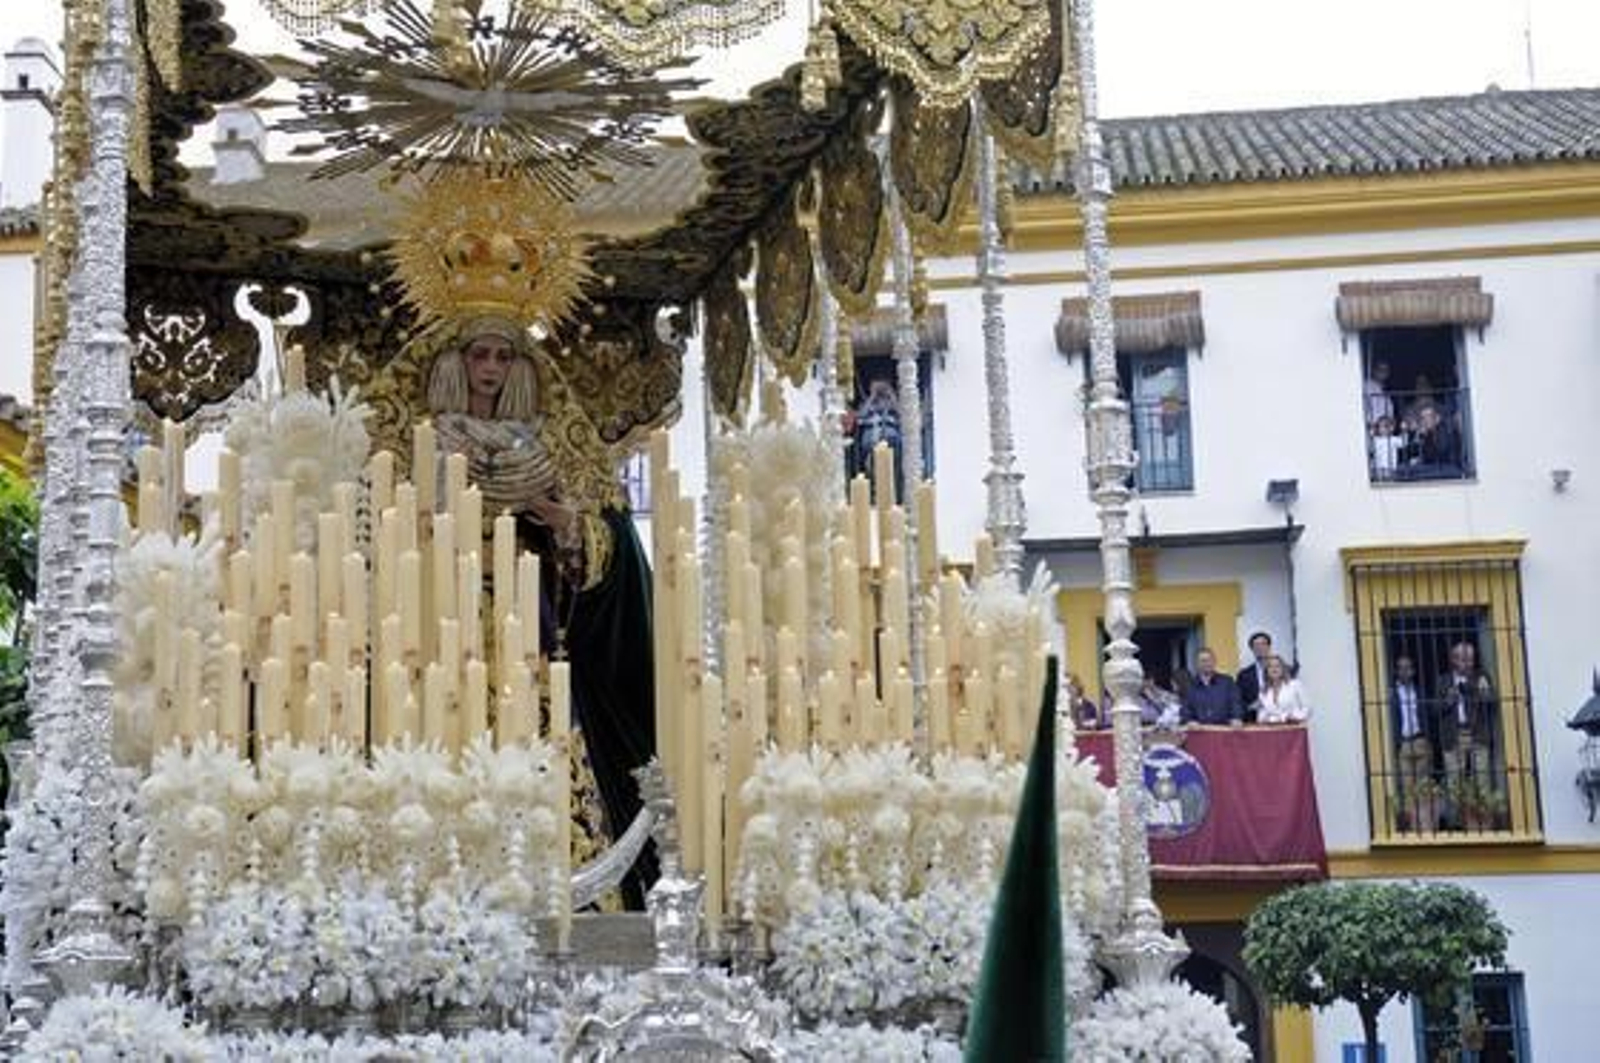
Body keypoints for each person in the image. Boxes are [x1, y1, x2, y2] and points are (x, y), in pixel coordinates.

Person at [427, 318, 659, 907]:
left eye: (503, 357)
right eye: (479, 353)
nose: (491, 369)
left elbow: (608, 536)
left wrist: (566, 526)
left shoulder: (540, 443)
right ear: (457, 362)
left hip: (527, 618)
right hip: (442, 616)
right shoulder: (429, 440)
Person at [1433, 641, 1497, 792]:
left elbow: (1492, 704)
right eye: (1464, 659)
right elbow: (1434, 710)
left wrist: (1485, 693)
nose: (1469, 663)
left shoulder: (1481, 677)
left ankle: (1482, 814)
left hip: (1478, 734)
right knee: (1455, 784)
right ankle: (1458, 815)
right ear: (1453, 660)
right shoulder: (1443, 681)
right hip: (1454, 735)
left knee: (1482, 782)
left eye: (1471, 659)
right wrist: (1448, 701)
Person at [1390, 655, 1437, 827]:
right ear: (1396, 671)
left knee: (1424, 787)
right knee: (1407, 787)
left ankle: (1425, 825)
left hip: (1420, 740)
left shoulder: (1420, 691)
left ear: (1414, 671)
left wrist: (1429, 740)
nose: (1404, 671)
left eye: (1408, 667)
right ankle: (1412, 826)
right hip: (1403, 743)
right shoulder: (1391, 693)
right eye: (1401, 668)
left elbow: (1429, 717)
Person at [852, 374, 903, 493]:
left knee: (891, 467)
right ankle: (874, 489)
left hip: (891, 442)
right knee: (871, 466)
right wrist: (872, 396)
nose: (881, 390)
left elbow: (904, 414)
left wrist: (891, 393)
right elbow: (860, 415)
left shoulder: (893, 403)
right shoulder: (867, 404)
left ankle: (892, 489)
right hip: (870, 443)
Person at [1181, 648, 1242, 726]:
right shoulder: (1190, 685)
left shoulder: (1227, 682)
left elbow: (1235, 702)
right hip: (1200, 731)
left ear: (1214, 662)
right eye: (1203, 661)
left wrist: (1236, 717)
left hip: (1224, 729)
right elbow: (1185, 708)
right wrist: (1189, 720)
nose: (1207, 663)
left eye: (1209, 660)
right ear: (1196, 664)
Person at [1256, 654, 1310, 724]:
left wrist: (1294, 716)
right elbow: (1261, 715)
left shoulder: (1295, 685)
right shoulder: (1263, 691)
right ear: (1267, 671)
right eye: (1270, 667)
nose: (1274, 669)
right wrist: (1267, 718)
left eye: (1277, 666)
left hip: (1294, 728)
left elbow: (1308, 708)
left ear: (1283, 669)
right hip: (1273, 730)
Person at [1236, 631, 1273, 723]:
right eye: (1256, 645)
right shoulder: (1243, 675)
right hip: (1253, 722)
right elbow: (1237, 701)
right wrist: (1250, 706)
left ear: (1269, 647)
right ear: (1252, 649)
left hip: (1280, 722)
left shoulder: (1284, 670)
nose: (1260, 648)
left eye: (1263, 644)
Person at [1370, 414, 1405, 481]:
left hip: (1391, 468)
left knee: (1390, 483)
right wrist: (1371, 435)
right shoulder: (1376, 440)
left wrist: (1404, 431)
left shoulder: (1393, 439)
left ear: (1391, 428)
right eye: (1381, 426)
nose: (1383, 429)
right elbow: (1370, 449)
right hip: (1379, 468)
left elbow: (1403, 443)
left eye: (1386, 426)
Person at [1364, 358, 1394, 426]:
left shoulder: (1384, 388)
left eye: (1386, 370)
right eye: (1380, 369)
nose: (1383, 372)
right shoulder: (1368, 386)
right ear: (1374, 371)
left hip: (1385, 429)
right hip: (1375, 427)